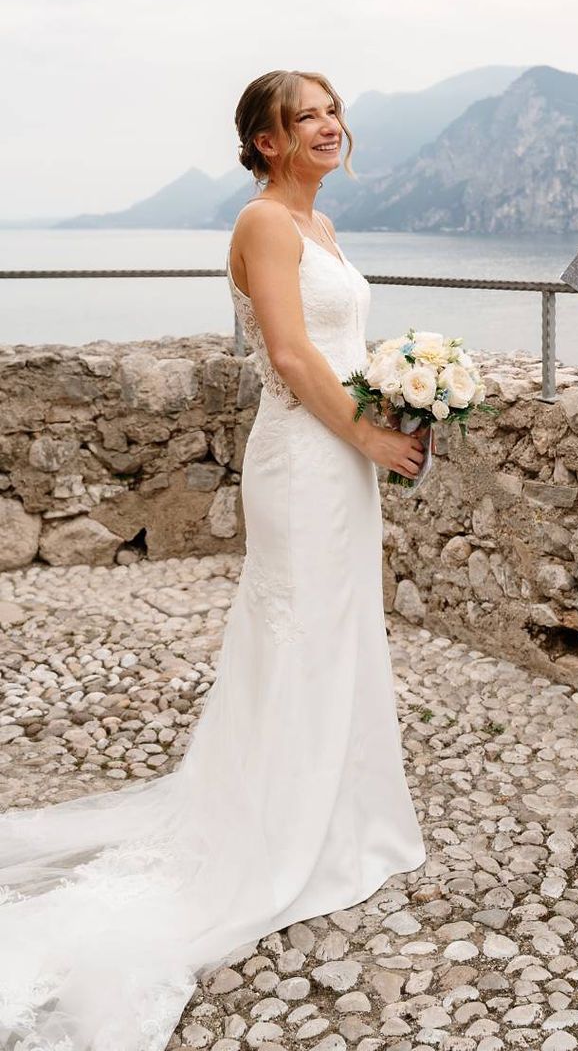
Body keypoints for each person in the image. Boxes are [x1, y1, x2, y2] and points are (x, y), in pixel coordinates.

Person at [0, 70, 426, 1049]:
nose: (329, 125)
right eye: (305, 116)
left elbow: (340, 344)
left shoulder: (320, 227)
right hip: (308, 459)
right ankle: (281, 834)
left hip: (343, 453)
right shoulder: (266, 223)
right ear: (267, 141)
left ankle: (334, 813)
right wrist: (369, 436)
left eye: (332, 111)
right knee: (299, 633)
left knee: (334, 633)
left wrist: (401, 394)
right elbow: (288, 354)